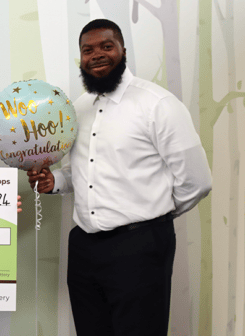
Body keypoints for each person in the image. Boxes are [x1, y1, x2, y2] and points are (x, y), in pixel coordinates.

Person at [28, 19, 212, 335]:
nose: (96, 54)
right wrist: (54, 182)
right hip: (84, 247)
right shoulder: (76, 110)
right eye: (88, 50)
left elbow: (197, 181)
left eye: (106, 46)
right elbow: (82, 173)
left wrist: (154, 216)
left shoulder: (158, 104)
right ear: (81, 58)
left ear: (122, 50)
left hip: (140, 246)